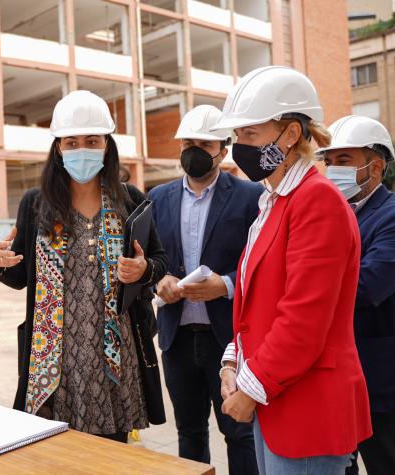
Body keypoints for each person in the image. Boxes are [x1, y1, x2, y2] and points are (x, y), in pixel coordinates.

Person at [212, 66, 372, 474]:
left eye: (250, 135)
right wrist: (234, 361)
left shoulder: (316, 201)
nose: (238, 148)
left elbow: (304, 319)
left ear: (290, 134)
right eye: (237, 137)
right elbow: (257, 302)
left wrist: (249, 390)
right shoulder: (276, 200)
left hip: (307, 406)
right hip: (278, 396)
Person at [0, 90, 168, 443]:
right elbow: (20, 275)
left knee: (111, 453)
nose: (81, 149)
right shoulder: (36, 203)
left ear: (107, 146)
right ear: (58, 148)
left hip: (115, 356)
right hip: (54, 359)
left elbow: (160, 260)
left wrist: (144, 270)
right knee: (55, 452)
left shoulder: (130, 199)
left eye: (92, 141)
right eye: (71, 142)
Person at [149, 105, 261, 473]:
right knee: (189, 432)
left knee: (240, 433)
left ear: (222, 150)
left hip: (227, 340)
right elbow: (152, 258)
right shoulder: (158, 197)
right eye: (188, 143)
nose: (194, 150)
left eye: (205, 143)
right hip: (177, 338)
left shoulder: (249, 197)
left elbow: (260, 263)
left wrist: (226, 286)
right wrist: (158, 280)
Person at [320, 115, 395, 475]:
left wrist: (308, 283)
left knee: (383, 460)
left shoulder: (391, 216)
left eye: (344, 161)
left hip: (379, 377)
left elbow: (369, 285)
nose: (333, 170)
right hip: (336, 376)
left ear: (376, 167)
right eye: (329, 162)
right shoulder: (332, 214)